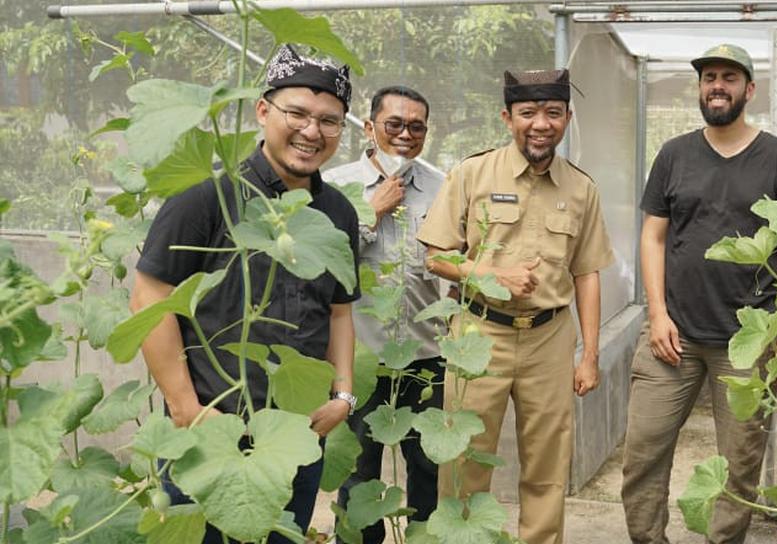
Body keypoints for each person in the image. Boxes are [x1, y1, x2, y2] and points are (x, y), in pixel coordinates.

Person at [131, 45, 361, 542]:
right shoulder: (207, 194)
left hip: (294, 437)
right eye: (297, 113)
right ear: (262, 110)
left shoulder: (338, 212)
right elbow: (150, 298)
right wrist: (185, 408)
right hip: (209, 431)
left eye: (329, 121)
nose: (312, 131)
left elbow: (339, 311)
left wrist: (343, 395)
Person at [622, 43, 777, 544]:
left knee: (740, 465)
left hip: (750, 340)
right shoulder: (674, 155)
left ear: (749, 90)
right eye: (709, 77)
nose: (717, 86)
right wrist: (657, 314)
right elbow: (653, 237)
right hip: (674, 335)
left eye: (729, 78)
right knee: (642, 450)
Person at [417, 68, 613, 544]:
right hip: (479, 335)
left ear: (567, 119)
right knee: (464, 457)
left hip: (550, 338)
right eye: (528, 113)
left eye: (553, 113)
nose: (541, 124)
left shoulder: (581, 188)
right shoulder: (472, 174)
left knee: (548, 463)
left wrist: (589, 354)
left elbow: (587, 272)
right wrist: (489, 274)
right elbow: (436, 257)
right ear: (507, 118)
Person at [325, 85, 446, 542]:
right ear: (369, 127)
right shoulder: (335, 187)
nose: (405, 135)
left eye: (417, 127)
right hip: (359, 359)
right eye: (394, 124)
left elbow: (453, 261)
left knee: (428, 467)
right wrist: (369, 214)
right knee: (359, 473)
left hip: (426, 356)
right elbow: (323, 265)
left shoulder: (442, 187)